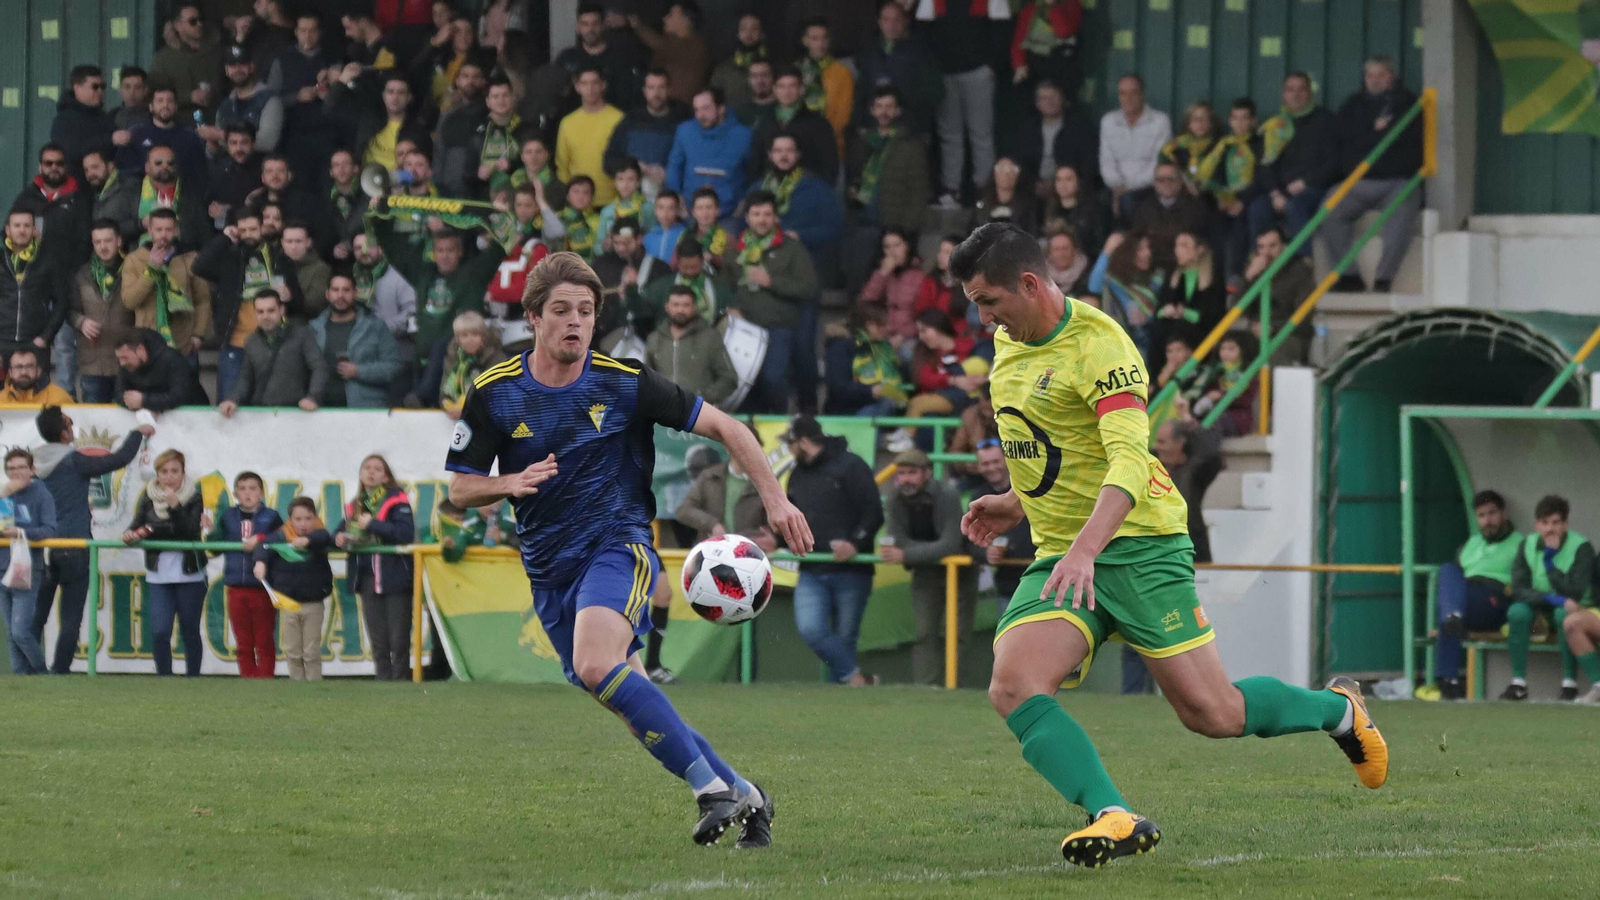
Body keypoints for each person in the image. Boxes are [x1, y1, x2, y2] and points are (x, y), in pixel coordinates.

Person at [950, 222, 1387, 867]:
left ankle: (1338, 711)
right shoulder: (1010, 345)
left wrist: (1086, 550)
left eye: (987, 300)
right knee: (1013, 684)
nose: (981, 316)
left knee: (1214, 713)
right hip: (1067, 555)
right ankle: (1114, 815)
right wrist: (1017, 501)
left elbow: (1128, 461)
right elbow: (1047, 442)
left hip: (1139, 545)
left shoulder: (1102, 346)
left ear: (1030, 283)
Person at [445, 251, 814, 846]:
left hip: (618, 547)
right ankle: (747, 794)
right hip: (548, 571)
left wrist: (776, 500)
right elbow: (460, 486)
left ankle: (709, 790)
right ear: (533, 317)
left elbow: (729, 427)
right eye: (562, 310)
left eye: (586, 311)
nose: (576, 322)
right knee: (623, 694)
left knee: (597, 665)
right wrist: (507, 483)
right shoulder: (493, 392)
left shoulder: (625, 381)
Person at [29, 407, 148, 674]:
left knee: (38, 614)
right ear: (63, 432)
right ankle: (60, 670)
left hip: (43, 545)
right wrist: (137, 433)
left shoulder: (34, 465)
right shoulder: (74, 461)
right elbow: (118, 459)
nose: (73, 427)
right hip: (74, 545)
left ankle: (29, 667)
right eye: (69, 423)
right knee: (71, 616)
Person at [779, 415, 882, 686]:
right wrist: (777, 538)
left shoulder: (851, 465)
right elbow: (792, 518)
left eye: (790, 443)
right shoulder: (797, 474)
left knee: (847, 636)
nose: (790, 450)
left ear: (803, 441)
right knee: (811, 630)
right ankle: (857, 680)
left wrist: (855, 544)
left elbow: (873, 512)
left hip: (852, 569)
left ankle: (846, 698)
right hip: (812, 568)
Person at [370, 215, 506, 407]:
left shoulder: (474, 274)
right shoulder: (423, 275)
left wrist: (502, 216)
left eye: (450, 250)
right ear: (433, 253)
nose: (445, 255)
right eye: (440, 250)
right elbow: (394, 249)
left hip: (459, 366)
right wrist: (379, 217)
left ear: (459, 252)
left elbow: (499, 248)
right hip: (422, 363)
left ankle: (422, 395)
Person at [1326, 57, 1423, 293]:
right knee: (1329, 211)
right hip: (1359, 181)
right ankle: (1349, 276)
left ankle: (1383, 279)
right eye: (1370, 75)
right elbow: (1342, 141)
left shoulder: (1407, 102)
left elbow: (1403, 141)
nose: (1375, 80)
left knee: (1401, 215)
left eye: (1381, 74)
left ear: (1392, 76)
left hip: (1397, 180)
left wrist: (1365, 138)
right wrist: (1374, 132)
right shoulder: (1353, 104)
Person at [882, 448, 978, 685]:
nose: (905, 479)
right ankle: (926, 687)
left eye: (912, 472)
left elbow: (951, 543)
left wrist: (907, 553)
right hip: (925, 571)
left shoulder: (947, 493)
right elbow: (897, 539)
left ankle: (955, 686)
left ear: (926, 473)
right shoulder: (895, 498)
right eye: (901, 473)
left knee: (958, 634)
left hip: (960, 570)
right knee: (924, 632)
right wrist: (916, 552)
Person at [722, 191, 818, 411]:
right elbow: (722, 287)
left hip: (779, 329)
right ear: (747, 218)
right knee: (743, 384)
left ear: (776, 218)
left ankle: (778, 423)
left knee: (772, 379)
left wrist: (771, 281)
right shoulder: (735, 250)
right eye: (756, 214)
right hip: (744, 330)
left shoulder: (792, 249)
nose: (762, 219)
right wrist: (728, 307)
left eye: (767, 214)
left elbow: (810, 288)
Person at [192, 206, 300, 401]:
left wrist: (290, 295)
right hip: (236, 343)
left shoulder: (279, 258)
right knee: (229, 402)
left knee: (272, 403)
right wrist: (225, 238)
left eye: (253, 229)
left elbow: (299, 302)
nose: (248, 235)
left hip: (274, 346)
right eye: (243, 230)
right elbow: (198, 266)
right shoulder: (229, 257)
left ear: (262, 227)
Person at [1428, 490, 1521, 701]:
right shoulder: (1470, 544)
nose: (1487, 521)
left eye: (1492, 513)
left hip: (1495, 599)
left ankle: (1447, 679)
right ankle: (1449, 683)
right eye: (1481, 516)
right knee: (1448, 571)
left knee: (1450, 610)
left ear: (1503, 513)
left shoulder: (1520, 544)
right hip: (1467, 598)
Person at [123, 449, 208, 677]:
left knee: (189, 630)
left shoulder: (193, 496)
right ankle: (164, 677)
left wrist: (175, 507)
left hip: (189, 572)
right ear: (157, 474)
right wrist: (130, 534)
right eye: (164, 471)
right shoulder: (148, 496)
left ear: (183, 473)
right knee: (160, 630)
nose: (169, 477)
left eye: (174, 471)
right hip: (158, 573)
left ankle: (193, 678)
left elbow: (190, 532)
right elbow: (137, 524)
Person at [1504, 494, 1592, 701]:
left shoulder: (1582, 547)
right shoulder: (1527, 544)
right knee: (1517, 612)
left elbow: (1574, 592)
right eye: (1544, 522)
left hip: (1576, 609)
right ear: (1536, 525)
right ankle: (1518, 683)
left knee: (1565, 615)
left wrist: (1549, 562)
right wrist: (1552, 599)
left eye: (1555, 522)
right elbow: (1518, 589)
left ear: (1566, 525)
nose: (1549, 529)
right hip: (1540, 611)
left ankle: (1569, 685)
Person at [336, 454, 415, 681]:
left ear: (385, 477)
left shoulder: (397, 500)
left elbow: (405, 533)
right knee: (378, 638)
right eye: (367, 468)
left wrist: (373, 524)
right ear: (360, 474)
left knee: (399, 638)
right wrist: (340, 537)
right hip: (367, 576)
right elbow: (337, 533)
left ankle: (400, 681)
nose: (371, 472)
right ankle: (382, 680)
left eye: (377, 469)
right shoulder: (355, 505)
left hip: (394, 576)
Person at [844, 87, 929, 288]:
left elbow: (918, 191)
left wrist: (906, 232)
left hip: (895, 225)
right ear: (872, 110)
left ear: (898, 111)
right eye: (879, 107)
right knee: (858, 277)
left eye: (889, 107)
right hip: (863, 220)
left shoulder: (911, 145)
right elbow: (852, 178)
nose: (884, 112)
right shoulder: (861, 142)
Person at [1248, 72, 1338, 255]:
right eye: (1290, 90)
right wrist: (1274, 193)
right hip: (1281, 192)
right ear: (1284, 94)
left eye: (1301, 89)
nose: (1296, 94)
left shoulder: (1326, 120)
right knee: (1258, 207)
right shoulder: (1276, 124)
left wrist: (1306, 182)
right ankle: (1261, 264)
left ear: (1310, 93)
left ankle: (1302, 266)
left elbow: (1335, 163)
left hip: (1316, 189)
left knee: (1295, 206)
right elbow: (1265, 166)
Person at [210, 471, 283, 679]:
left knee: (264, 639)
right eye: (242, 489)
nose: (247, 493)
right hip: (235, 585)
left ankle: (265, 679)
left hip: (262, 586)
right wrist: (209, 530)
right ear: (235, 493)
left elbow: (282, 536)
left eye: (252, 488)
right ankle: (248, 679)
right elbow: (215, 546)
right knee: (243, 640)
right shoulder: (228, 516)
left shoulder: (271, 516)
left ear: (261, 492)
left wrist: (260, 539)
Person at [254, 497, 335, 681]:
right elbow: (263, 545)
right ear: (290, 519)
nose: (304, 523)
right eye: (298, 519)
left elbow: (324, 538)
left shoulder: (320, 534)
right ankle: (296, 685)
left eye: (308, 518)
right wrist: (260, 561)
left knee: (311, 650)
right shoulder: (281, 535)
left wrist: (307, 540)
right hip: (289, 603)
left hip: (313, 603)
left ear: (315, 518)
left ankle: (314, 685)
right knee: (292, 650)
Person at [220, 290, 326, 415]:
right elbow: (245, 378)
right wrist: (233, 400)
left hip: (297, 413)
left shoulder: (301, 335)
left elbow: (319, 368)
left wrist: (312, 397)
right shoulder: (251, 341)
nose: (265, 316)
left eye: (271, 310)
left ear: (282, 310)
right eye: (260, 312)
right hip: (262, 413)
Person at [0, 449, 58, 674]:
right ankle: (20, 678)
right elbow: (3, 529)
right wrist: (4, 495)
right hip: (3, 566)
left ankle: (42, 672)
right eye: (11, 468)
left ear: (32, 470)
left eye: (21, 467)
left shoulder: (41, 494)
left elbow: (49, 529)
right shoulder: (4, 494)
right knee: (11, 633)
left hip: (28, 569)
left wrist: (21, 532)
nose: (16, 472)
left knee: (20, 631)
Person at [312, 273, 402, 409]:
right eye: (335, 290)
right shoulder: (313, 329)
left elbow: (394, 366)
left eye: (346, 290)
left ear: (355, 293)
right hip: (320, 411)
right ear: (327, 294)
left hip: (365, 411)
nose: (340, 295)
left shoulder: (375, 327)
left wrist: (358, 371)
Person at [852, 1, 941, 137]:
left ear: (905, 21)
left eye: (897, 20)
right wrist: (860, 123)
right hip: (874, 127)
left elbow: (936, 92)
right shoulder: (870, 53)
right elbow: (861, 92)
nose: (891, 25)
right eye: (886, 20)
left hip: (910, 128)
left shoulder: (920, 52)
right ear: (880, 23)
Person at [1199, 98, 1262, 284]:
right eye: (1235, 118)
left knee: (1240, 226)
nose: (1240, 123)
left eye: (1245, 118)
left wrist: (1242, 200)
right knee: (1216, 225)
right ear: (1229, 121)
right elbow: (1213, 175)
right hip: (1225, 201)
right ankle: (1216, 277)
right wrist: (1221, 198)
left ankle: (1237, 275)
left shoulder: (1259, 145)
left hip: (1248, 200)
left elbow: (1262, 178)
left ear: (1253, 121)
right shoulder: (1223, 146)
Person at [1, 209, 71, 371]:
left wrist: (45, 337)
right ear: (8, 230)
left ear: (34, 230)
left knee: (38, 395)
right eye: (17, 225)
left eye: (26, 225)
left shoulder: (47, 261)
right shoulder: (1, 260)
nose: (21, 230)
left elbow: (61, 301)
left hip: (34, 342)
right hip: (2, 341)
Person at [645, 285, 737, 406]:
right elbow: (645, 381)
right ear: (667, 307)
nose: (680, 310)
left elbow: (729, 379)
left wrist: (702, 398)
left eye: (686, 305)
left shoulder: (710, 337)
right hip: (663, 415)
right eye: (676, 305)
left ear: (694, 307)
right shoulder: (654, 338)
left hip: (700, 415)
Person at [667, 87, 753, 212]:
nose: (700, 115)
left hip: (729, 211)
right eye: (697, 110)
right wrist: (676, 196)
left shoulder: (744, 136)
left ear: (722, 109)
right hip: (691, 210)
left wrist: (745, 200)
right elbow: (674, 165)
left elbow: (754, 173)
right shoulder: (685, 131)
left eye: (706, 108)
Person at [749, 68, 839, 186]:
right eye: (781, 86)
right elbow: (755, 164)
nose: (787, 92)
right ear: (774, 90)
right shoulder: (765, 123)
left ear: (801, 90)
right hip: (769, 191)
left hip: (807, 189)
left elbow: (829, 166)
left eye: (792, 86)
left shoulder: (818, 124)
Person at [973, 439, 1034, 610]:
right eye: (985, 463)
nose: (991, 467)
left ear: (1007, 460)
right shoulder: (978, 496)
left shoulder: (1030, 488)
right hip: (1007, 585)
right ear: (978, 467)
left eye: (995, 461)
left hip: (1042, 577)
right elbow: (968, 541)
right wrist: (986, 553)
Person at [604, 69, 691, 190]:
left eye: (661, 87)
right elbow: (609, 160)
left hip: (669, 198)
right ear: (644, 91)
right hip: (633, 197)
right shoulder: (630, 121)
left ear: (669, 90)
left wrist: (669, 173)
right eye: (651, 87)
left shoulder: (682, 122)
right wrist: (633, 167)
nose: (656, 93)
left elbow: (692, 160)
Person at [1099, 75, 1171, 220]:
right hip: (1116, 187)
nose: (1128, 98)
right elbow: (1106, 161)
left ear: (1142, 95)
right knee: (1098, 204)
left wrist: (1129, 188)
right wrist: (1117, 186)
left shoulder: (1160, 121)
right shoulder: (1109, 121)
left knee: (1129, 202)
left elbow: (1158, 163)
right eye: (1123, 93)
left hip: (1147, 186)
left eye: (1133, 92)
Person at [1241, 227, 1315, 365]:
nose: (1266, 252)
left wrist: (1272, 328)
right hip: (1256, 332)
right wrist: (1248, 278)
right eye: (1261, 247)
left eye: (1272, 246)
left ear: (1284, 247)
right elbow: (1236, 308)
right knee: (1230, 346)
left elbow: (1303, 316)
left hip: (1290, 335)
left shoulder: (1300, 271)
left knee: (1273, 351)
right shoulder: (1254, 269)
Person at [1017, 81, 1100, 203]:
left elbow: (1089, 162)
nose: (1049, 102)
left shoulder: (1079, 126)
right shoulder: (1030, 128)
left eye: (1053, 97)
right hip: (1036, 187)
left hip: (1071, 187)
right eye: (1044, 98)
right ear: (1037, 103)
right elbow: (1021, 161)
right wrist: (1034, 183)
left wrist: (1061, 184)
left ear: (1062, 99)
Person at [14, 144, 92, 272]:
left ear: (66, 167)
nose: (54, 167)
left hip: (67, 276)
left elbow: (85, 241)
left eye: (59, 163)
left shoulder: (79, 199)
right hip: (30, 274)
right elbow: (8, 233)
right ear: (40, 167)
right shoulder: (26, 198)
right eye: (48, 163)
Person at [557, 66, 627, 207]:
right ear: (577, 87)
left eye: (595, 83)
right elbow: (562, 165)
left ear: (603, 85)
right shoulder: (567, 123)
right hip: (578, 204)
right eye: (584, 83)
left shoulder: (619, 119)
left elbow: (626, 162)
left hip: (613, 202)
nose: (590, 88)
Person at [557, 3, 645, 113]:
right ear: (578, 28)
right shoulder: (567, 59)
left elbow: (629, 98)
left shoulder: (620, 58)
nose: (590, 29)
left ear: (603, 25)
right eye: (585, 24)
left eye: (595, 24)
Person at [823, 303, 904, 416]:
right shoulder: (841, 347)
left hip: (877, 404)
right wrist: (871, 391)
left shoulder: (881, 346)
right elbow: (839, 387)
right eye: (882, 324)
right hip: (848, 411)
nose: (886, 329)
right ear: (869, 325)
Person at [117, 87, 208, 187]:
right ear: (151, 106)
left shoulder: (190, 137)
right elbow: (124, 170)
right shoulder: (136, 134)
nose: (165, 105)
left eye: (170, 101)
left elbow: (199, 172)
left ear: (176, 106)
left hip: (182, 195)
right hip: (140, 195)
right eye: (160, 101)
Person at [1131, 162, 1209, 274]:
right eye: (1161, 179)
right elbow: (1136, 239)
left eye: (1171, 179)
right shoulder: (1144, 207)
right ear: (1154, 183)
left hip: (1184, 269)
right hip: (1151, 269)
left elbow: (1200, 243)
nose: (1166, 183)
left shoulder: (1195, 207)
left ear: (1180, 182)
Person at [626, 3, 710, 105]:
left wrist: (636, 24)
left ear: (686, 20)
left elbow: (658, 43)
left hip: (679, 109)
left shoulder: (696, 46)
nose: (664, 19)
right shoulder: (671, 42)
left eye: (670, 15)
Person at [795, 17, 854, 161]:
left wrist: (822, 139)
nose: (820, 43)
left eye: (824, 38)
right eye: (815, 38)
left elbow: (843, 115)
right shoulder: (796, 70)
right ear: (805, 41)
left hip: (832, 147)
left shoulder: (842, 72)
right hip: (798, 147)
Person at [861, 228, 931, 347]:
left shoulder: (920, 276)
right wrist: (882, 274)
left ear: (906, 247)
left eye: (897, 245)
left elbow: (925, 315)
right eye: (887, 247)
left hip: (910, 335)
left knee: (906, 352)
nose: (892, 251)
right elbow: (867, 300)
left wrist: (903, 335)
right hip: (882, 331)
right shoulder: (882, 274)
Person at [151, 5, 223, 121]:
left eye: (201, 20)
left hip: (214, 116)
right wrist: (189, 97)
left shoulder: (216, 52)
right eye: (193, 21)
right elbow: (156, 92)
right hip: (178, 120)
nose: (199, 24)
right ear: (178, 25)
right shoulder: (163, 58)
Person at [210, 43, 284, 154]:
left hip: (262, 167)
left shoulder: (270, 99)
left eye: (242, 64)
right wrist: (212, 145)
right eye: (233, 65)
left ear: (251, 67)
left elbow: (268, 143)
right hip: (230, 168)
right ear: (227, 70)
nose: (237, 69)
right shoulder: (225, 105)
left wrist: (221, 135)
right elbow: (218, 149)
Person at [112, 329, 209, 411]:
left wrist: (145, 401)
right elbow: (119, 394)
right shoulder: (127, 366)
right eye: (119, 358)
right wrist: (138, 403)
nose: (122, 363)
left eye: (125, 357)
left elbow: (181, 396)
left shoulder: (173, 359)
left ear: (140, 350)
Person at [440, 311, 507, 417]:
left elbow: (495, 395)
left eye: (475, 334)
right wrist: (449, 406)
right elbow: (444, 393)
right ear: (458, 339)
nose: (470, 340)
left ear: (483, 337)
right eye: (464, 336)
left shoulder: (496, 359)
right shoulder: (453, 358)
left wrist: (467, 409)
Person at [710, 14, 769, 112]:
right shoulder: (723, 68)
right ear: (737, 33)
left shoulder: (771, 64)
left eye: (754, 29)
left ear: (762, 33)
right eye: (743, 28)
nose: (749, 33)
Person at [971, 158, 1040, 235]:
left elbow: (1031, 232)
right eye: (1001, 169)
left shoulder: (1027, 205)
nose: (1006, 175)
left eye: (1012, 170)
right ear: (994, 174)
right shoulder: (982, 204)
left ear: (1018, 175)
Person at [280, 223, 330, 318]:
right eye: (289, 241)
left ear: (308, 242)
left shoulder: (321, 268)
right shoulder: (275, 264)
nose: (293, 247)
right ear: (282, 242)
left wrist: (291, 298)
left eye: (298, 241)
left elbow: (316, 306)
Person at [0, 349, 73, 405]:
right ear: (10, 373)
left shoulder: (58, 397)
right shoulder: (2, 399)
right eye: (18, 367)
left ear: (38, 371)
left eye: (29, 367)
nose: (24, 372)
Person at [732, 60, 777, 130]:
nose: (759, 81)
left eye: (764, 75)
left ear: (773, 78)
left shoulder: (782, 109)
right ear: (749, 80)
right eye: (754, 76)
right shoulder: (740, 112)